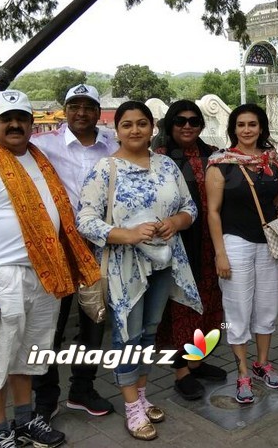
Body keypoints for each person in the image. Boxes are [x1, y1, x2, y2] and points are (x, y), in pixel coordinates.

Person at [0, 90, 100, 448]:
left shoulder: (40, 157)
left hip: (45, 274)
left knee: (28, 357)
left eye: (22, 118)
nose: (15, 124)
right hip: (3, 278)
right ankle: (0, 433)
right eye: (6, 119)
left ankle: (24, 421)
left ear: (32, 124)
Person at [77, 101, 201, 440]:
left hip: (164, 262)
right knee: (127, 336)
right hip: (124, 267)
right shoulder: (106, 169)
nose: (135, 130)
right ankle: (131, 405)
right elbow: (84, 220)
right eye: (127, 124)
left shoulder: (166, 165)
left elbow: (190, 207)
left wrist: (176, 222)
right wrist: (127, 234)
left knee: (149, 332)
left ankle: (142, 396)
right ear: (116, 130)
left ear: (152, 127)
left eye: (142, 123)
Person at [205, 104, 278, 404]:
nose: (247, 130)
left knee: (266, 305)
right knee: (237, 308)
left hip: (267, 243)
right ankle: (241, 371)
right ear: (233, 129)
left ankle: (262, 362)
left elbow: (277, 202)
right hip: (235, 243)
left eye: (252, 124)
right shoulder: (220, 162)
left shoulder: (273, 160)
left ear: (261, 127)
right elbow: (213, 212)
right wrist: (220, 254)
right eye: (241, 125)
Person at [153, 100, 227, 401]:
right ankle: (181, 371)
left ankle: (198, 361)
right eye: (180, 121)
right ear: (170, 124)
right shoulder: (159, 158)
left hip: (210, 242)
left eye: (194, 121)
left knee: (209, 304)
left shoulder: (213, 155)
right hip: (178, 243)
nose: (187, 126)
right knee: (180, 307)